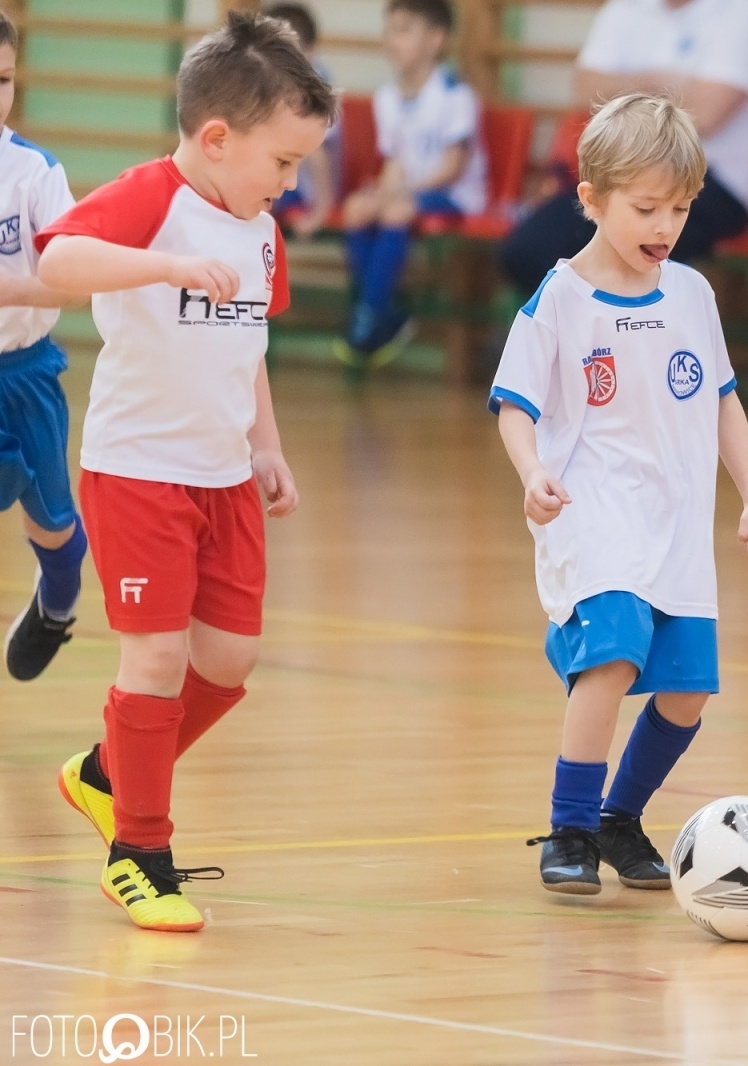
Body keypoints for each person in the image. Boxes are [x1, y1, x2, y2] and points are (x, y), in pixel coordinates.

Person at [39, 11, 334, 933]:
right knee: (157, 657)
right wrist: (164, 264)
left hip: (221, 476)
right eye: (282, 163)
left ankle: (103, 773)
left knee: (227, 658)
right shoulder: (152, 198)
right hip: (138, 473)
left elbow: (249, 346)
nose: (290, 184)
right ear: (216, 138)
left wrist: (267, 444)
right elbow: (59, 260)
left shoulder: (259, 230)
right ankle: (141, 851)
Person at [490, 93, 748, 894]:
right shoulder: (559, 300)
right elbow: (515, 406)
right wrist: (533, 472)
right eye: (646, 208)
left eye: (680, 209)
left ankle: (620, 819)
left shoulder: (690, 294)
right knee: (612, 660)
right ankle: (570, 828)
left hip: (678, 521)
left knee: (686, 694)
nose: (666, 227)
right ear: (590, 200)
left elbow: (722, 398)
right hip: (592, 511)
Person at [497, 0, 748, 296]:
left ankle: (595, 337)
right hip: (623, 174)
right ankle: (572, 337)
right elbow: (584, 92)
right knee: (528, 249)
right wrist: (660, 82)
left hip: (705, 185)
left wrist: (621, 90)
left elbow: (705, 115)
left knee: (615, 263)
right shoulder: (625, 9)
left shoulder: (742, 15)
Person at [0, 11, 87, 682]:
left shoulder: (33, 174)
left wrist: (11, 290)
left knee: (54, 523)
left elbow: (70, 288)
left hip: (25, 371)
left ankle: (58, 605)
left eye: (2, 80)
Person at [338, 0, 486, 364]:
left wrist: (402, 192)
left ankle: (367, 316)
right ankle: (384, 313)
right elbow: (394, 162)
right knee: (358, 208)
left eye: (403, 30)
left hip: (455, 196)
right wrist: (385, 190)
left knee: (396, 211)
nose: (392, 39)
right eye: (389, 29)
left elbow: (452, 168)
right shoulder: (387, 97)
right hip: (410, 193)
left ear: (435, 39)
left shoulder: (455, 95)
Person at [264, 2, 340, 239]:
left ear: (309, 51)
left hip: (310, 189)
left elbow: (319, 155)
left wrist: (321, 210)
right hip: (287, 179)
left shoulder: (317, 90)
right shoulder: (272, 82)